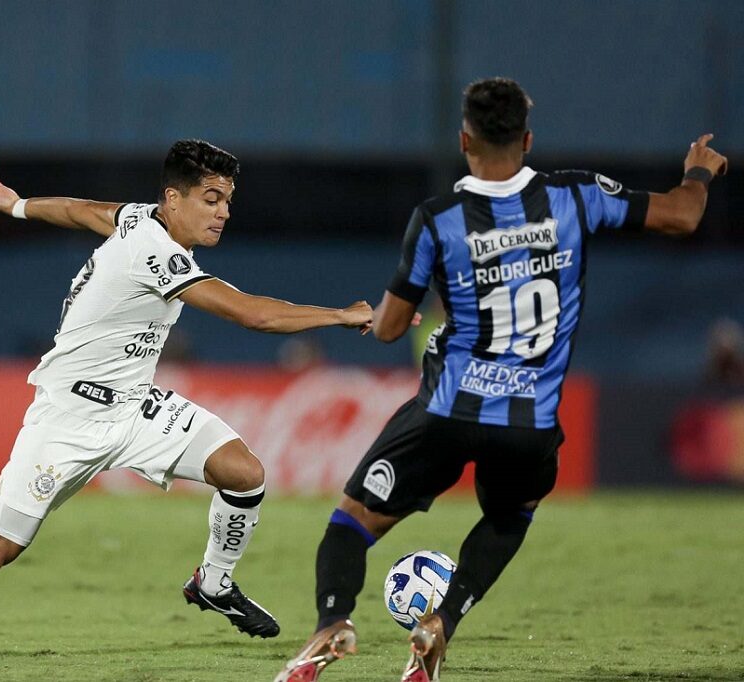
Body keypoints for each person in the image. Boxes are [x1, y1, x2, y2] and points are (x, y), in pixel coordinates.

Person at [0, 139, 373, 662]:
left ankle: (214, 582)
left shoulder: (141, 217)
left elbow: (84, 210)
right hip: (67, 415)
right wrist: (342, 316)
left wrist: (16, 206)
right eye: (211, 199)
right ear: (174, 198)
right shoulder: (154, 251)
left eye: (228, 200)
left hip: (134, 407)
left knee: (243, 472)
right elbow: (252, 314)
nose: (223, 212)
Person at [274, 77, 728, 682]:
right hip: (529, 422)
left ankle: (332, 625)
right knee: (512, 514)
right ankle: (442, 622)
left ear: (465, 140)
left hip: (447, 411)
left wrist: (369, 315)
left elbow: (389, 330)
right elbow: (682, 215)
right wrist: (697, 172)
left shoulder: (438, 221)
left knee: (352, 521)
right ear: (528, 139)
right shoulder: (575, 196)